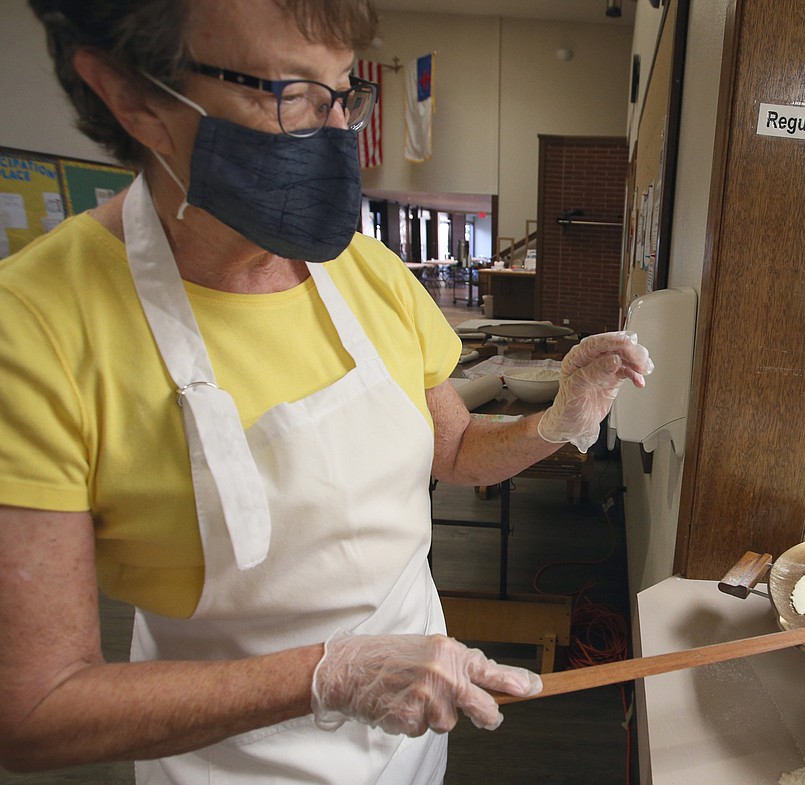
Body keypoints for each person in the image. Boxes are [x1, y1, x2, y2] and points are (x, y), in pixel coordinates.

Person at [0, 1, 652, 782]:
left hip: (410, 740)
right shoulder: (34, 330)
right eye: (290, 93)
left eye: (345, 92)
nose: (336, 130)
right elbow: (34, 709)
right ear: (131, 95)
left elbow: (452, 448)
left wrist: (559, 419)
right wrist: (329, 675)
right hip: (234, 764)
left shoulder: (367, 271)